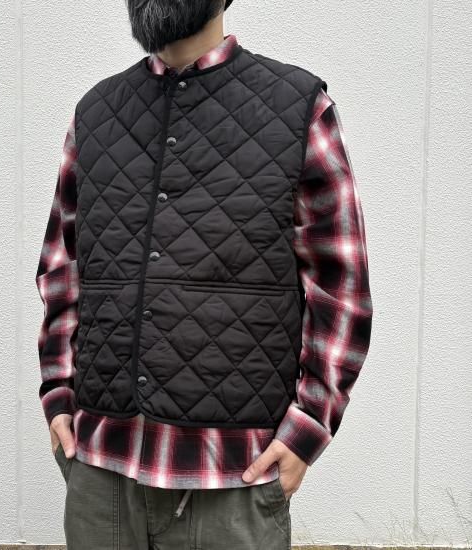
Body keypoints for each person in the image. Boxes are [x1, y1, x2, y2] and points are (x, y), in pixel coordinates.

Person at [35, 0, 373, 548]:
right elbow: (62, 269)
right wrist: (57, 392)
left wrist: (310, 424)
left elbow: (341, 285)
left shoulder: (299, 109)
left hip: (233, 480)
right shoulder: (94, 114)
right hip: (100, 473)